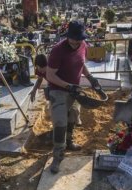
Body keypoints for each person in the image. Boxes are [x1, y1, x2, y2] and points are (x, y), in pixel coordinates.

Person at [45, 21, 95, 174]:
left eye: (78, 39)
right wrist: (68, 86)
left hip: (74, 89)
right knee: (60, 121)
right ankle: (58, 155)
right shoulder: (57, 51)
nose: (75, 42)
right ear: (67, 36)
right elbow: (50, 75)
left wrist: (91, 77)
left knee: (73, 116)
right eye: (72, 39)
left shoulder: (83, 45)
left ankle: (69, 142)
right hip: (58, 89)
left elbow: (81, 64)